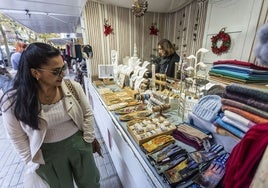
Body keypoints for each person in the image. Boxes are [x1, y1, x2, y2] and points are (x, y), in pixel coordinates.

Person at [0, 42, 100, 188]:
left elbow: (88, 114)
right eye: (56, 71)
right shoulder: (13, 101)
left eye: (63, 67)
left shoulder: (72, 87)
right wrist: (32, 162)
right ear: (35, 73)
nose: (63, 73)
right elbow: (16, 137)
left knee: (91, 184)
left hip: (78, 144)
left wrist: (87, 139)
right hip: (46, 156)